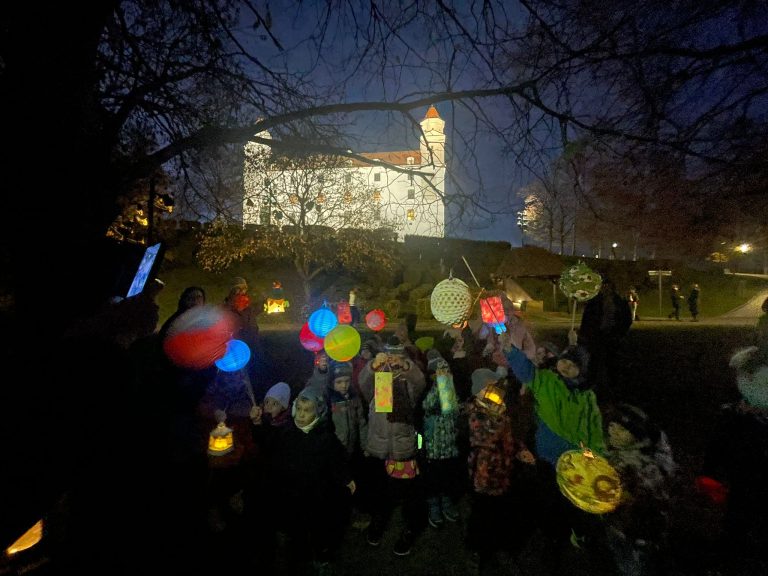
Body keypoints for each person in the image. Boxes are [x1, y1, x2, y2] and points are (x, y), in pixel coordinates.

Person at [259, 387, 356, 574]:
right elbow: (271, 451)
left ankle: (321, 555)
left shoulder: (325, 437)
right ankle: (298, 553)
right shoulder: (287, 432)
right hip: (292, 492)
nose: (301, 415)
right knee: (296, 527)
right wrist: (259, 424)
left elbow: (337, 459)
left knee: (319, 527)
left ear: (318, 413)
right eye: (299, 409)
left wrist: (346, 478)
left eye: (307, 410)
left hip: (317, 494)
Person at [695, 344, 768, 575]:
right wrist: (710, 473)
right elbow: (718, 446)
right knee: (738, 516)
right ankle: (732, 553)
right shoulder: (733, 416)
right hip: (742, 477)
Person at [358, 335, 427, 556]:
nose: (393, 362)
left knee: (407, 494)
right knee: (380, 492)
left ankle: (409, 528)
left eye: (398, 358)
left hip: (402, 446)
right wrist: (372, 366)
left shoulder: (407, 384)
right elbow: (363, 383)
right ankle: (378, 521)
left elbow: (420, 382)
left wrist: (407, 367)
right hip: (378, 445)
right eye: (390, 357)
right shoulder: (381, 382)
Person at [463, 367, 536, 574]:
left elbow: (509, 437)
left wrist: (520, 450)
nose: (493, 392)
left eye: (494, 387)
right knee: (480, 515)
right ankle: (476, 550)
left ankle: (498, 546)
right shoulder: (475, 413)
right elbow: (484, 437)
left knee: (499, 513)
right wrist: (497, 416)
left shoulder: (500, 410)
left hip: (503, 472)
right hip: (483, 476)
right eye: (487, 389)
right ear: (478, 392)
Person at [602, 403, 678, 576]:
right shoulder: (613, 451)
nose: (614, 432)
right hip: (616, 526)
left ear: (637, 435)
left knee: (637, 567)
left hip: (639, 532)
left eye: (622, 430)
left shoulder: (647, 464)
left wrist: (626, 497)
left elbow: (652, 497)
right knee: (621, 558)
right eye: (612, 426)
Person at [421, 350, 463, 529]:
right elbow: (427, 405)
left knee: (447, 477)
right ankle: (434, 505)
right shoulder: (430, 391)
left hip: (449, 445)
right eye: (439, 373)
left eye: (447, 372)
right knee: (433, 478)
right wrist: (440, 386)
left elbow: (454, 412)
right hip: (433, 447)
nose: (445, 376)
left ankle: (446, 502)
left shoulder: (452, 391)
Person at [578, 278, 633, 397]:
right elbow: (587, 319)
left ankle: (613, 385)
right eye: (604, 286)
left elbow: (626, 318)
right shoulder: (595, 302)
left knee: (611, 360)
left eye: (608, 286)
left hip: (612, 335)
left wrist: (620, 332)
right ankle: (591, 382)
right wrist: (584, 333)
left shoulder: (618, 302)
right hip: (597, 335)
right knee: (594, 359)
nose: (606, 289)